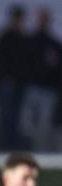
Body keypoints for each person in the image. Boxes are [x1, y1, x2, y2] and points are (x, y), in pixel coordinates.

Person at [18, 8, 62, 151]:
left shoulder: (53, 44)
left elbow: (57, 67)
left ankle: (41, 152)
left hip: (48, 90)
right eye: (40, 18)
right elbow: (23, 64)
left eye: (45, 19)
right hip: (31, 87)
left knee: (44, 122)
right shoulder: (30, 41)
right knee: (25, 122)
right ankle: (29, 148)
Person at [0, 5, 31, 150]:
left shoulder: (24, 38)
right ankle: (3, 145)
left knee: (17, 116)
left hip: (20, 83)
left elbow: (26, 62)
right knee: (6, 115)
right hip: (7, 82)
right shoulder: (5, 37)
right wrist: (5, 77)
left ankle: (13, 145)